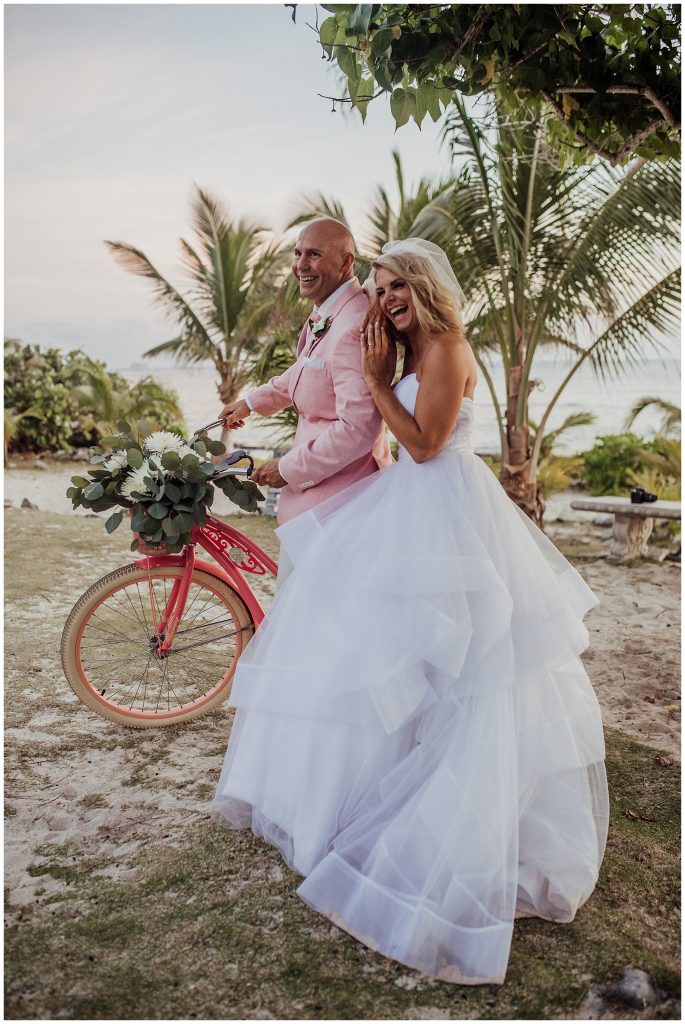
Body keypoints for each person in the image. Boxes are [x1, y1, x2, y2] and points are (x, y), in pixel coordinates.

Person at [211, 238, 609, 985]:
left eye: (399, 288)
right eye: (383, 289)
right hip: (407, 506)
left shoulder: (447, 346)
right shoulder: (408, 345)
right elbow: (328, 385)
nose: (388, 300)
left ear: (426, 288)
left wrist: (372, 380)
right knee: (387, 651)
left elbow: (423, 445)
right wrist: (363, 371)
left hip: (444, 509)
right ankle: (370, 790)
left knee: (456, 661)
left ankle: (440, 817)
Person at [219, 217, 392, 527]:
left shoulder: (354, 325)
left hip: (342, 502)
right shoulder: (328, 312)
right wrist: (251, 402)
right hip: (316, 496)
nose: (300, 264)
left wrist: (287, 468)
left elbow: (359, 428)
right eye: (297, 253)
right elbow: (308, 371)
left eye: (314, 254)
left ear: (346, 261)